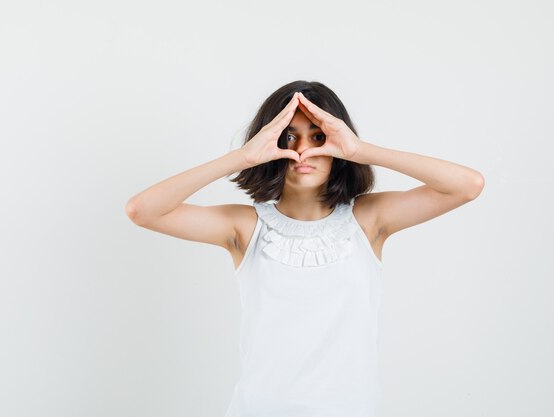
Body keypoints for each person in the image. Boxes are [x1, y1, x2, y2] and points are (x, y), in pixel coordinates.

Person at [124, 80, 485, 417]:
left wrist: (360, 150)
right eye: (289, 137)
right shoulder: (245, 227)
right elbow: (142, 210)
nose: (302, 151)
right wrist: (244, 157)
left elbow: (467, 185)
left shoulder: (369, 220)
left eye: (318, 137)